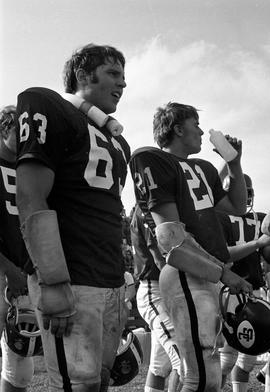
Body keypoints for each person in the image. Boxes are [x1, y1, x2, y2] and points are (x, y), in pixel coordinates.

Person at [15, 43, 130, 392]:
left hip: (109, 277)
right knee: (76, 385)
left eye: (123, 77)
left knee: (98, 382)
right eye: (113, 73)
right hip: (73, 276)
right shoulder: (50, 106)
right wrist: (52, 280)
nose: (122, 84)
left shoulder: (116, 141)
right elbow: (30, 195)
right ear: (82, 75)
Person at [129, 102, 253, 392]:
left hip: (207, 274)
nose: (200, 131)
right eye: (195, 124)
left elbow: (236, 207)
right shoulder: (152, 159)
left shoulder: (205, 168)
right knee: (197, 374)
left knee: (203, 374)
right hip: (183, 273)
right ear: (177, 128)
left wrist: (234, 163)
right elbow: (170, 240)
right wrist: (223, 272)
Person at [217, 173, 270, 392]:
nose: (245, 198)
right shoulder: (218, 218)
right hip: (228, 292)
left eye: (248, 193)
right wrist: (257, 243)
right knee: (226, 357)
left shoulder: (260, 218)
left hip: (255, 291)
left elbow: (267, 254)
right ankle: (214, 385)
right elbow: (222, 255)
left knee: (250, 356)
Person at [0, 105, 36, 392]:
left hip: (23, 276)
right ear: (4, 129)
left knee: (20, 364)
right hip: (5, 271)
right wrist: (9, 270)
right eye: (18, 131)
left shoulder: (29, 170)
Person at [130, 203, 181, 392]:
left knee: (159, 368)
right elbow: (161, 260)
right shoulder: (148, 210)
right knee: (184, 359)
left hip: (164, 289)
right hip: (156, 290)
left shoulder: (150, 208)